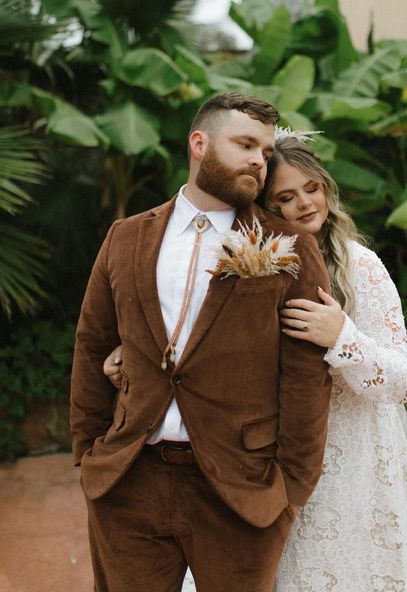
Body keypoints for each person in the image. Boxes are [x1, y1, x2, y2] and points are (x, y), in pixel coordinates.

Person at [105, 132, 407, 592]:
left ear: (326, 186)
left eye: (312, 188)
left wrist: (342, 337)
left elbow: (402, 383)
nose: (304, 204)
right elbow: (203, 352)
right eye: (285, 197)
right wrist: (133, 358)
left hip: (351, 462)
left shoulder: (363, 267)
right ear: (265, 206)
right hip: (268, 459)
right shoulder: (244, 261)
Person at [70, 93, 332, 592]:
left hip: (239, 488)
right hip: (130, 480)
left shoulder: (290, 246)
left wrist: (289, 488)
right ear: (199, 143)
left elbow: (305, 374)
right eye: (245, 144)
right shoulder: (124, 237)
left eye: (265, 151)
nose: (259, 159)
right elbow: (91, 344)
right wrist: (88, 451)